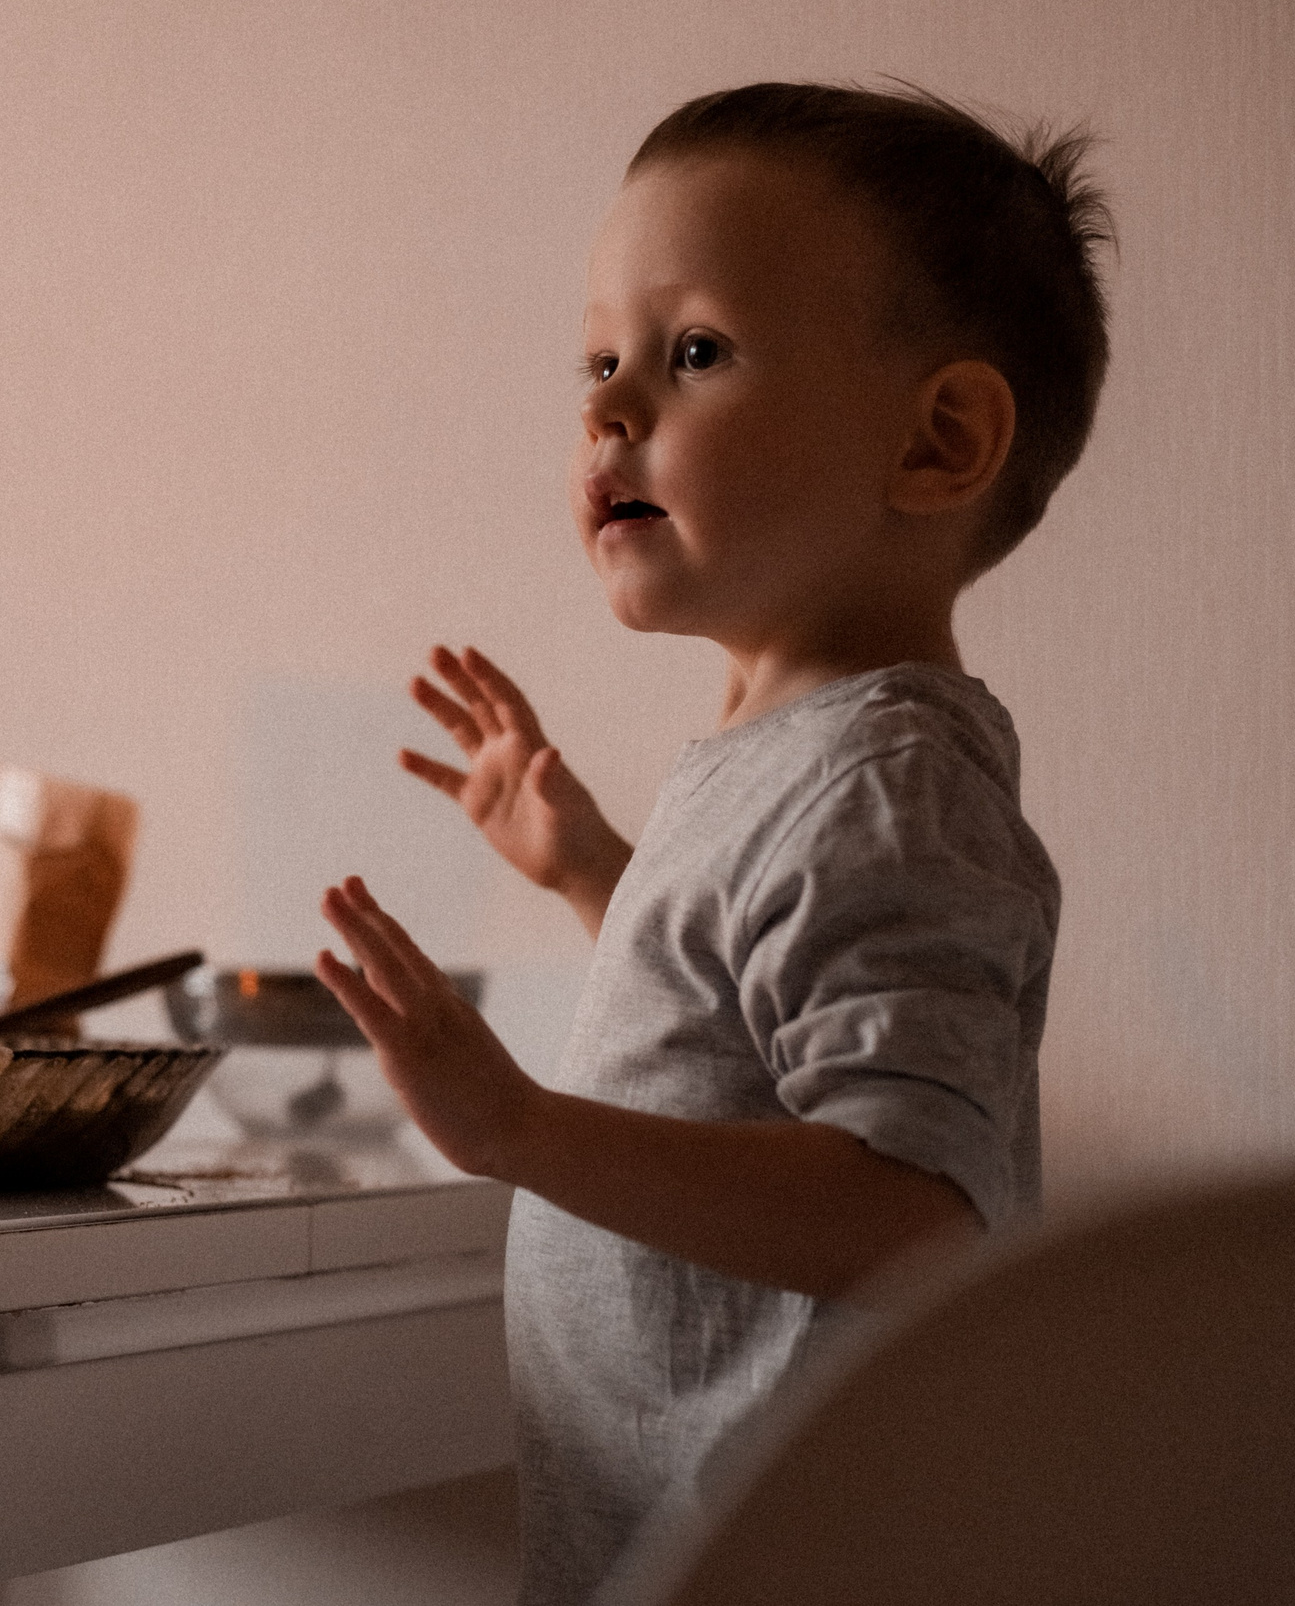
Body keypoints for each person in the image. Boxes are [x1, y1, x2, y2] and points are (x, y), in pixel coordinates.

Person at [313, 82, 1113, 1606]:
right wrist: (589, 866)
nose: (610, 410)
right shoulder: (794, 765)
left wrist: (517, 1131)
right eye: (599, 364)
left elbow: (911, 1208)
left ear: (939, 440)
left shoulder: (887, 782)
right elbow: (751, 1011)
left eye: (692, 354)